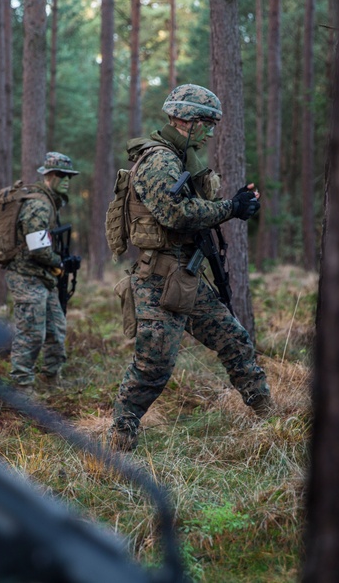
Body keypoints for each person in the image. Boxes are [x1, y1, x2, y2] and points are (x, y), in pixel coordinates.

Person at [107, 84, 273, 452]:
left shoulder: (183, 159)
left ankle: (272, 419)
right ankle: (117, 443)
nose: (211, 133)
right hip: (157, 280)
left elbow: (194, 207)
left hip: (186, 276)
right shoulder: (159, 160)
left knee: (235, 341)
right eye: (207, 124)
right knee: (153, 368)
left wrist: (236, 203)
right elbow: (175, 213)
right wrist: (231, 208)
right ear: (186, 120)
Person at [6, 152, 81, 391]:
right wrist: (58, 262)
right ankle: (21, 388)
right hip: (26, 277)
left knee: (56, 331)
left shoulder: (49, 201)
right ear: (48, 175)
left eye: (69, 175)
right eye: (61, 175)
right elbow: (38, 249)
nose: (66, 179)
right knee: (31, 333)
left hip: (43, 277)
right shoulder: (39, 204)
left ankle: (51, 380)